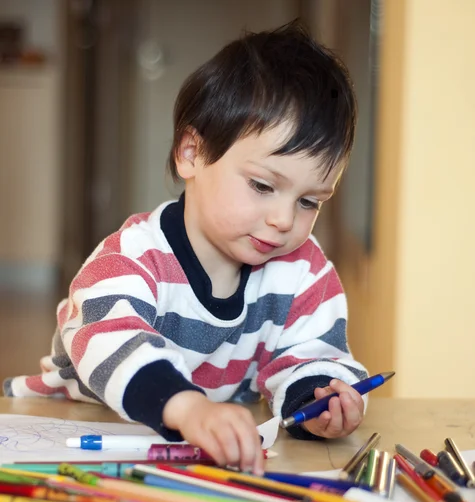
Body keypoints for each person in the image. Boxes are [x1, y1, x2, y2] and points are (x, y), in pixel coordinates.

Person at [4, 21, 367, 475]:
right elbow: (110, 340)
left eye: (309, 201)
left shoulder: (302, 270)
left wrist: (319, 398)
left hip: (183, 456)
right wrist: (188, 408)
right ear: (191, 154)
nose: (284, 220)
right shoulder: (132, 257)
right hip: (66, 434)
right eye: (262, 185)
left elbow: (311, 351)